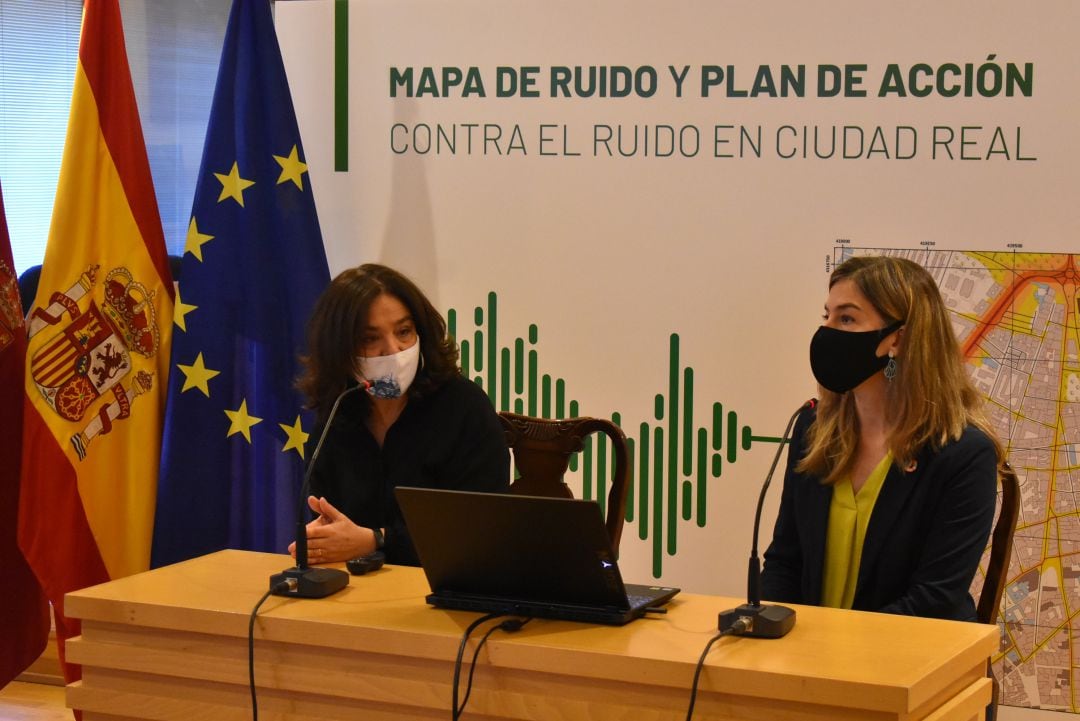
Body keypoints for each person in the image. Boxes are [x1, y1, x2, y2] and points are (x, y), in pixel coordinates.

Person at [761, 255, 1004, 621]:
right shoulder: (813, 429)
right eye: (826, 316)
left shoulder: (963, 454)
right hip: (811, 658)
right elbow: (784, 561)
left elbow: (935, 596)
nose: (827, 332)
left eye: (846, 318)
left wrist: (841, 656)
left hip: (909, 660)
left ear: (898, 339)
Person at [289, 263, 510, 566]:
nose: (392, 350)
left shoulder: (464, 408)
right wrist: (323, 539)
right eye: (370, 339)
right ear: (339, 349)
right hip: (359, 595)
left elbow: (481, 532)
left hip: (450, 593)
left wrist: (375, 541)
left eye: (404, 332)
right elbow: (333, 520)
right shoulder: (338, 415)